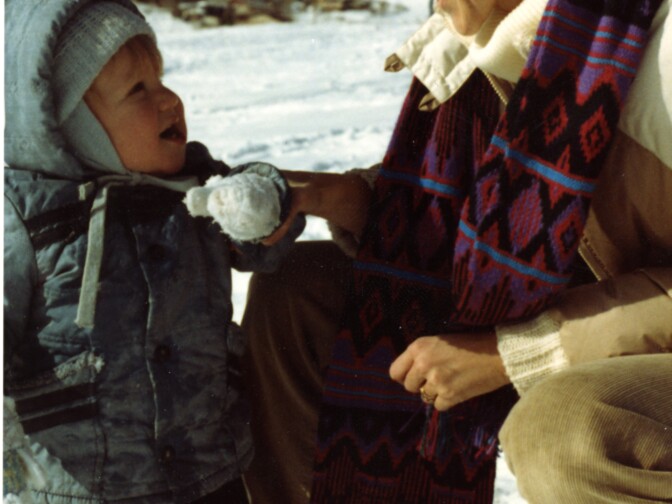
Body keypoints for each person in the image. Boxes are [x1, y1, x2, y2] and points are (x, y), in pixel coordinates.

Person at [242, 0, 672, 502]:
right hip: (591, 313)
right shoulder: (492, 44)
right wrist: (340, 199)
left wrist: (517, 353)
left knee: (563, 429)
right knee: (302, 293)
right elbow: (492, 203)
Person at [3, 1, 304, 502]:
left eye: (161, 79)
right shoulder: (26, 217)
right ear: (76, 126)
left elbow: (264, 251)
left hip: (209, 472)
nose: (169, 101)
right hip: (83, 485)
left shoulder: (196, 187)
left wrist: (263, 200)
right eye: (138, 90)